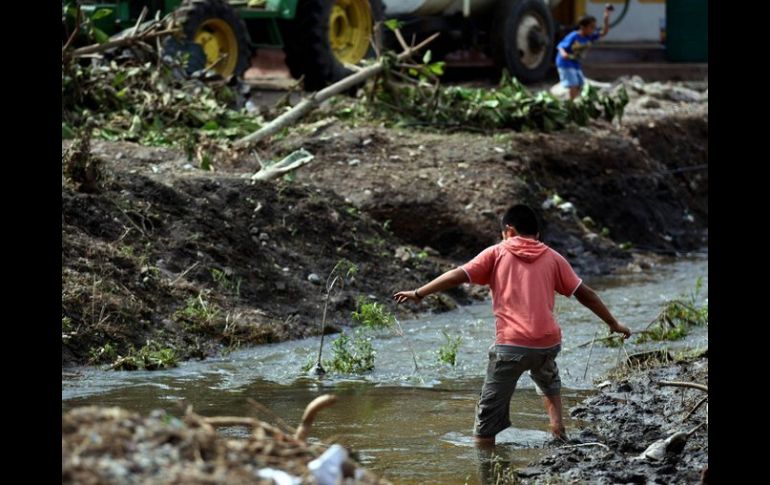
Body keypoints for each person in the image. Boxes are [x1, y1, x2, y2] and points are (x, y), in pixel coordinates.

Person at [393, 204, 631, 447]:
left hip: (511, 346)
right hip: (547, 343)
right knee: (548, 381)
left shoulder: (497, 253)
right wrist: (613, 323)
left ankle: (485, 458)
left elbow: (458, 275)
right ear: (536, 233)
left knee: (486, 420)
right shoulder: (553, 257)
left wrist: (419, 293)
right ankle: (558, 429)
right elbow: (586, 294)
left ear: (509, 230)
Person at [556, 5, 614, 100]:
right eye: (591, 27)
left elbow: (604, 32)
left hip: (575, 63)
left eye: (594, 27)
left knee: (579, 84)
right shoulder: (574, 36)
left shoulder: (590, 36)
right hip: (565, 63)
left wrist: (606, 18)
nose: (593, 29)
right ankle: (571, 105)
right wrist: (563, 53)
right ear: (583, 27)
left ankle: (570, 102)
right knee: (573, 84)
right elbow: (561, 46)